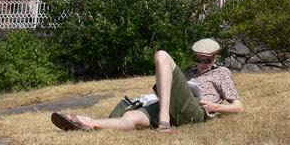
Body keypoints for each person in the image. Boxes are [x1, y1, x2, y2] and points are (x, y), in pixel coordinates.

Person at [51, 38, 243, 133]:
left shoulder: (221, 73)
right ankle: (86, 123)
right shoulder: (189, 73)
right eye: (199, 59)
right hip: (171, 106)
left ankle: (164, 122)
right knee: (131, 117)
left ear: (215, 58)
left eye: (206, 60)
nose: (202, 64)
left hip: (195, 110)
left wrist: (216, 107)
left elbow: (238, 106)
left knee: (161, 55)